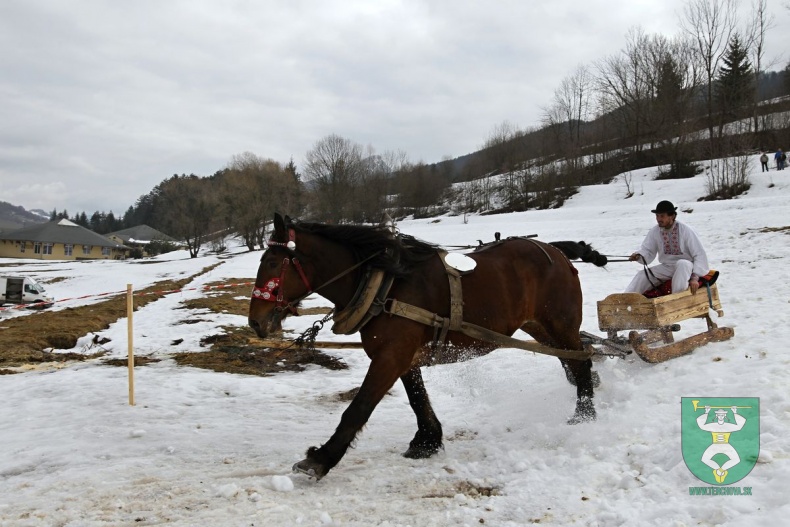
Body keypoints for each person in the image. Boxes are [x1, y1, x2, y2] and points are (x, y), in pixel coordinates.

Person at [626, 200, 709, 295]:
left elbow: (699, 254)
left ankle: (676, 300)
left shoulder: (686, 230)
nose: (658, 219)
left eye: (662, 216)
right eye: (657, 216)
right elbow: (648, 251)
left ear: (672, 216)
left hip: (687, 266)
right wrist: (639, 255)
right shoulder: (655, 231)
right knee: (642, 275)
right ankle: (625, 301)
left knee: (682, 264)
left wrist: (695, 278)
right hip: (667, 266)